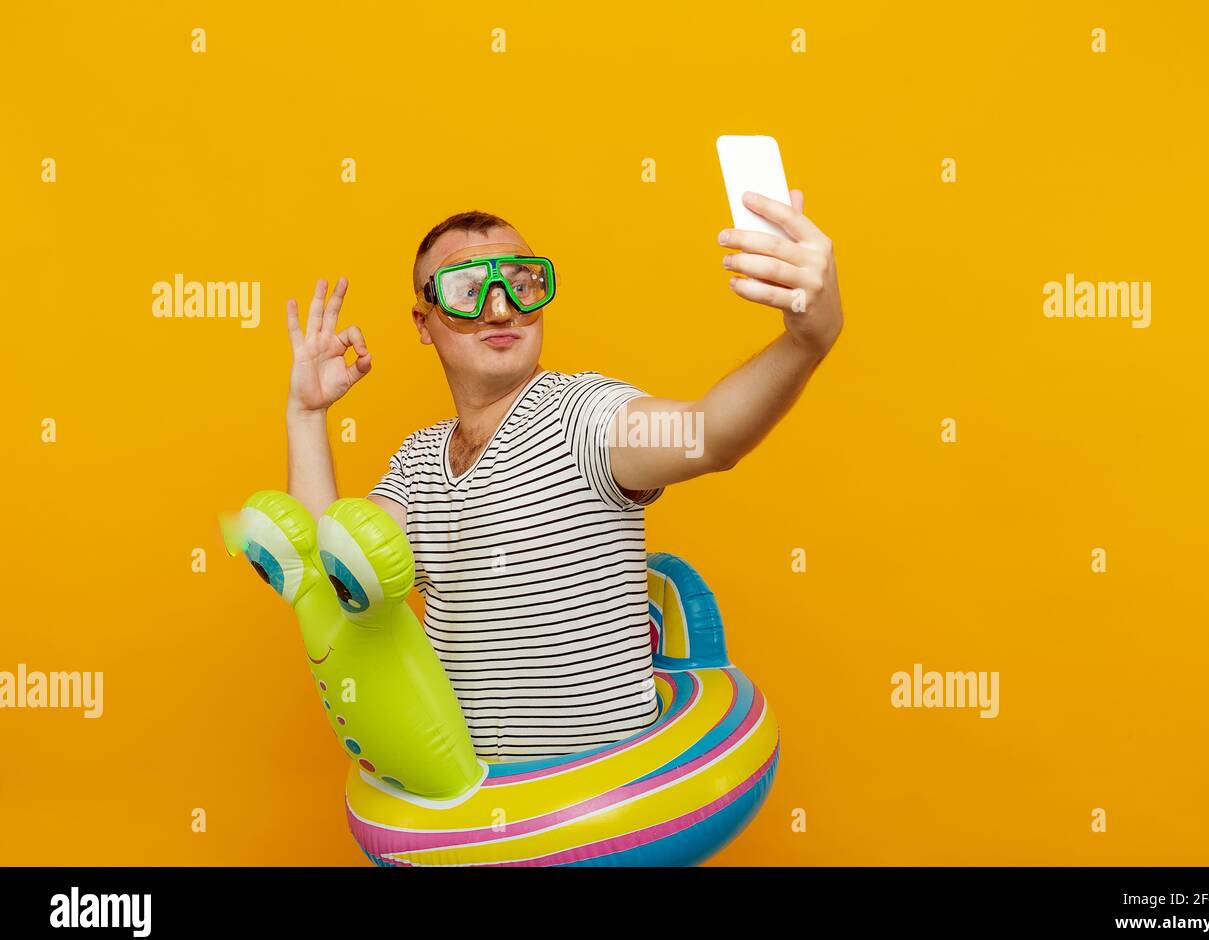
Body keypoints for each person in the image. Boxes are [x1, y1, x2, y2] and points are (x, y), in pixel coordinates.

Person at [284, 190, 842, 760]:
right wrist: (307, 416)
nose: (501, 310)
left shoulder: (584, 417)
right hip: (476, 823)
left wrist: (806, 341)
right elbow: (335, 579)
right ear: (423, 322)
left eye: (522, 284)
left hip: (603, 823)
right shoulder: (418, 463)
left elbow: (709, 434)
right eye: (466, 291)